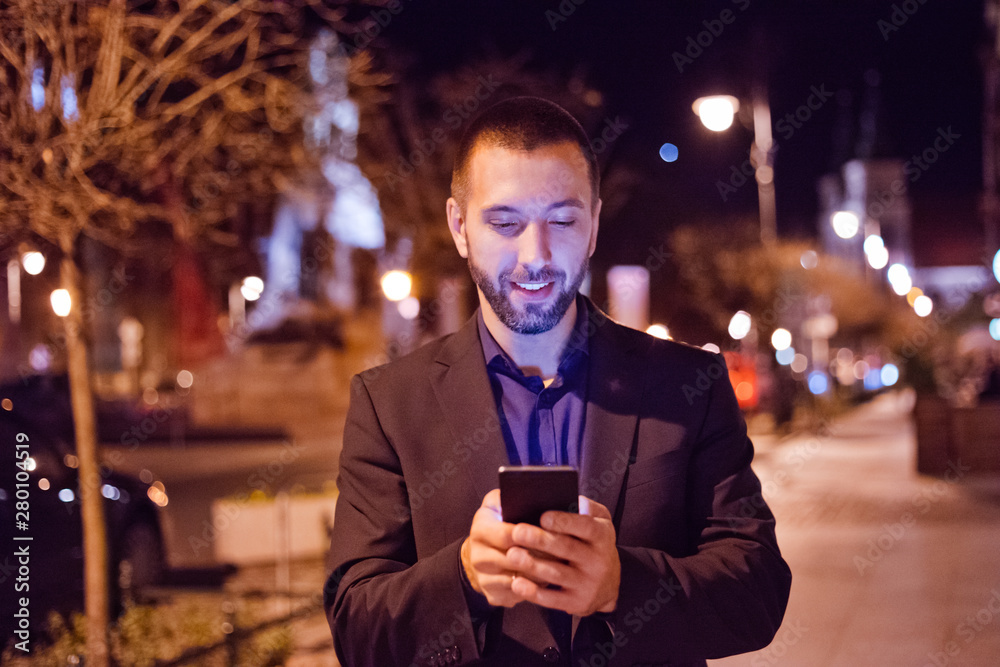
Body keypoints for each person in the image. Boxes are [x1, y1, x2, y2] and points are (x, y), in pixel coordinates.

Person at [324, 97, 791, 666]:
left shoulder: (689, 384)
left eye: (562, 221)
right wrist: (465, 577)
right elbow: (354, 627)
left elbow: (759, 591)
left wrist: (623, 585)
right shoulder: (388, 405)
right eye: (504, 222)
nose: (535, 255)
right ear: (459, 226)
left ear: (593, 225)